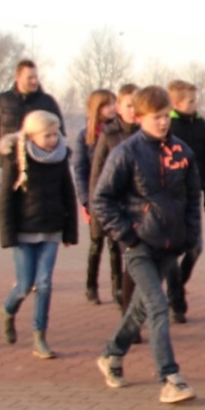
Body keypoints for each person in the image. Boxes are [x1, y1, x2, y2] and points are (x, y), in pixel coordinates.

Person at [91, 85, 200, 404]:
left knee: (140, 308)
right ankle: (170, 378)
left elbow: (192, 198)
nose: (163, 123)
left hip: (170, 244)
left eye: (166, 116)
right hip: (139, 245)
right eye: (156, 118)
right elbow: (101, 200)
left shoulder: (182, 152)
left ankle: (111, 354)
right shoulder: (126, 152)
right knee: (157, 306)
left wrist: (191, 237)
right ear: (140, 118)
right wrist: (129, 234)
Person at [0, 110, 79, 360]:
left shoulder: (60, 158)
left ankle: (39, 337)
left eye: (56, 134)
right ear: (32, 136)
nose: (53, 139)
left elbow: (68, 194)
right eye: (47, 135)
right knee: (25, 286)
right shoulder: (17, 160)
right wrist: (8, 236)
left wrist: (70, 232)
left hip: (51, 229)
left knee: (44, 284)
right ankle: (7, 311)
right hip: (24, 232)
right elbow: (6, 200)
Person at [166, 79, 205, 324]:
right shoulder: (169, 126)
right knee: (172, 252)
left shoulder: (202, 125)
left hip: (194, 195)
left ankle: (176, 288)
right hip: (171, 198)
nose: (195, 104)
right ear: (176, 103)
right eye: (191, 100)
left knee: (195, 248)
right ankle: (177, 302)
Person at [89, 84, 140, 312]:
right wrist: (97, 218)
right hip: (118, 211)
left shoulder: (147, 134)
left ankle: (132, 307)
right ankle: (128, 314)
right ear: (119, 107)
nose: (133, 110)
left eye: (137, 106)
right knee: (129, 259)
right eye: (128, 105)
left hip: (143, 211)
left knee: (140, 263)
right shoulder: (109, 136)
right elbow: (97, 177)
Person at [73, 89, 116, 305]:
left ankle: (118, 290)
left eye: (113, 104)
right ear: (96, 109)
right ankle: (91, 286)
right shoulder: (85, 136)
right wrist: (85, 201)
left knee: (116, 245)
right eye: (107, 105)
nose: (112, 108)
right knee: (96, 243)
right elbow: (80, 170)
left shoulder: (119, 132)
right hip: (95, 199)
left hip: (116, 198)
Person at [0, 59, 64, 156]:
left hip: (41, 165)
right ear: (18, 77)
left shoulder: (48, 102)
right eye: (30, 78)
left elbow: (60, 132)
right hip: (10, 164)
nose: (34, 81)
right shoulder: (1, 101)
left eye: (36, 77)